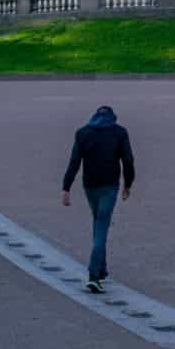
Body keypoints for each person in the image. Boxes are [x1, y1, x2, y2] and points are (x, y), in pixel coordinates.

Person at [61, 105, 136, 294]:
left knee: (98, 223)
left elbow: (74, 162)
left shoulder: (83, 133)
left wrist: (66, 187)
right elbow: (128, 160)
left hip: (90, 186)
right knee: (101, 227)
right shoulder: (119, 133)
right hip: (109, 186)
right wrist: (128, 184)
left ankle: (101, 270)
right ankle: (94, 276)